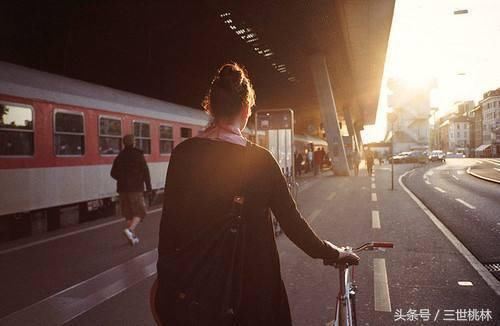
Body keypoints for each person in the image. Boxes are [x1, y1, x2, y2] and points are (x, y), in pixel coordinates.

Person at [154, 63, 359, 325]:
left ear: (210, 107)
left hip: (197, 289)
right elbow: (292, 223)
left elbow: (169, 228)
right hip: (252, 291)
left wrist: (168, 287)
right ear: (246, 109)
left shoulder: (183, 155)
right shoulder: (261, 161)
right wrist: (331, 253)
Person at [110, 134, 152, 246]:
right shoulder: (138, 155)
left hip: (122, 189)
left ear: (124, 143)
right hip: (135, 188)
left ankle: (132, 237)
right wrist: (148, 187)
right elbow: (145, 172)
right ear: (134, 142)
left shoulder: (120, 156)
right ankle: (130, 230)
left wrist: (122, 179)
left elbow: (113, 173)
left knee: (128, 214)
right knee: (140, 211)